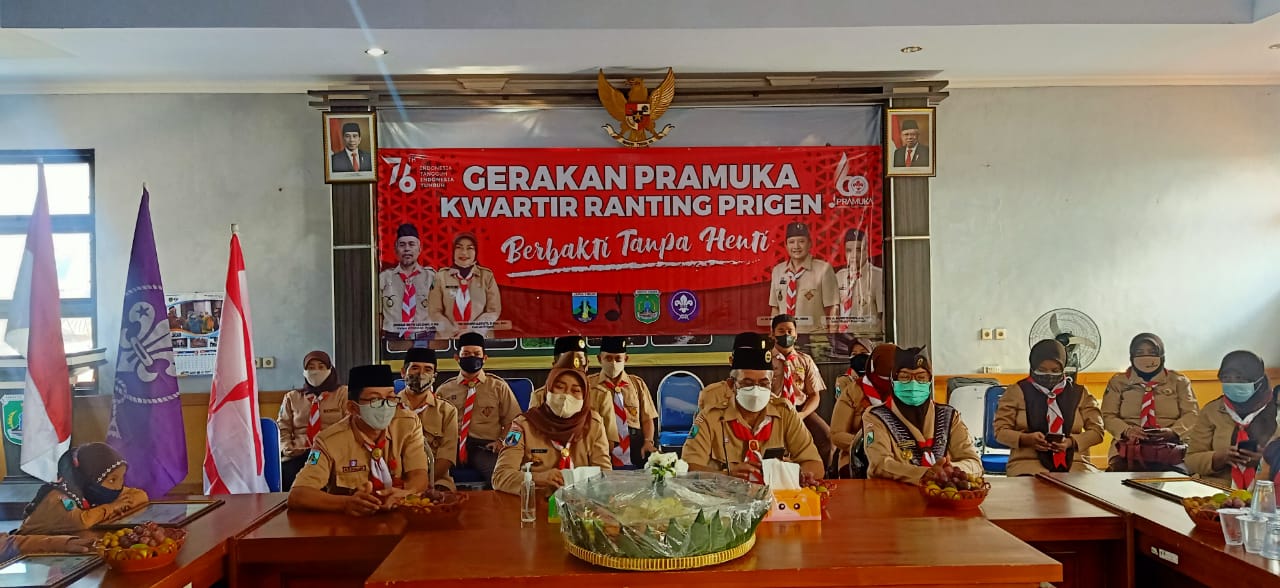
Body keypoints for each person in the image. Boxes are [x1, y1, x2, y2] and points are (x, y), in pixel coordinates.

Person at [288, 365, 430, 515]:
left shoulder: (407, 425)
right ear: (352, 408)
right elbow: (298, 495)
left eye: (390, 398)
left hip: (400, 515)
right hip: (350, 521)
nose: (384, 406)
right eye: (374, 399)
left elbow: (419, 475)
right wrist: (345, 503)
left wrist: (407, 493)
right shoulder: (327, 441)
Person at [683, 344, 824, 482]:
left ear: (771, 384)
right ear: (732, 385)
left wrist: (796, 474)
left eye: (763, 384)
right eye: (747, 383)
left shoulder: (785, 413)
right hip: (725, 494)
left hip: (775, 495)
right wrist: (727, 476)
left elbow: (815, 465)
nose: (756, 391)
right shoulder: (710, 417)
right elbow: (688, 469)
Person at [492, 355, 612, 495]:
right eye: (559, 387)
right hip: (535, 501)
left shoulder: (593, 424)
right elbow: (500, 477)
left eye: (575, 391)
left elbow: (605, 476)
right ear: (548, 389)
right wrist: (537, 478)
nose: (566, 396)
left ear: (585, 396)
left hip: (581, 503)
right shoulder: (522, 426)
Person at [863, 347, 982, 483]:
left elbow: (974, 462)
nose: (913, 384)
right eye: (905, 377)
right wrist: (924, 473)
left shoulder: (949, 416)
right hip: (893, 491)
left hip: (942, 492)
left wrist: (951, 469)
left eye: (921, 378)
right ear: (893, 381)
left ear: (929, 381)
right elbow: (880, 464)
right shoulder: (876, 416)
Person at [993, 340, 1104, 476]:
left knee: (1083, 487)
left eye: (1055, 371)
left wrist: (1071, 442)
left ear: (1063, 368)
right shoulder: (1016, 391)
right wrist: (1026, 439)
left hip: (1076, 463)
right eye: (1042, 370)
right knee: (1034, 487)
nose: (1049, 374)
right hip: (1027, 463)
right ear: (1032, 367)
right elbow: (1000, 431)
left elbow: (1097, 431)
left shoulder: (1079, 393)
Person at [1101, 333, 1199, 471]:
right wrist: (1127, 431)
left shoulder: (1179, 381)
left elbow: (1192, 414)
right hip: (1128, 449)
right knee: (1121, 477)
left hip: (1172, 448)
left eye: (1152, 353)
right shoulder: (1118, 382)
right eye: (1139, 353)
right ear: (1131, 356)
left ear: (1162, 355)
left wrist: (1173, 432)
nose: (1146, 357)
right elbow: (1107, 415)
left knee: (1180, 478)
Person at [436, 332, 521, 485]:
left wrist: (503, 443)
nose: (471, 357)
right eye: (466, 354)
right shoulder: (444, 390)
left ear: (484, 358)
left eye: (476, 354)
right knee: (432, 474)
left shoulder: (498, 387)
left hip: (484, 446)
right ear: (457, 358)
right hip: (452, 445)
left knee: (500, 477)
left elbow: (517, 423)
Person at [1186, 351, 1276, 488]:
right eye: (1226, 378)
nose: (1233, 383)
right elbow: (1191, 460)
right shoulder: (1212, 411)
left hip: (1267, 491)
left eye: (1240, 378)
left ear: (1259, 381)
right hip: (1217, 490)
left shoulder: (1276, 410)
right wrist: (1218, 458)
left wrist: (1265, 461)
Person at [18, 443, 149, 535]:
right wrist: (113, 508)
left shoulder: (92, 491)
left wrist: (116, 507)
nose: (118, 487)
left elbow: (140, 496)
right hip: (33, 550)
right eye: (112, 480)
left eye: (122, 478)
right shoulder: (61, 496)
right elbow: (82, 521)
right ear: (90, 477)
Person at [530, 336, 621, 448]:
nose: (573, 368)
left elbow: (609, 441)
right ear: (554, 366)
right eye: (565, 363)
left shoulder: (601, 396)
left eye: (579, 363)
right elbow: (532, 438)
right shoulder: (539, 396)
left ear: (587, 365)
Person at [277, 351, 348, 490]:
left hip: (332, 453)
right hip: (299, 453)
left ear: (330, 369)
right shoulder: (292, 397)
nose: (316, 371)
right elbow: (282, 427)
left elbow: (349, 424)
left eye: (321, 367)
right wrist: (286, 447)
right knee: (291, 479)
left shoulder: (343, 394)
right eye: (311, 367)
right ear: (304, 372)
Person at [770, 314, 833, 470]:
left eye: (790, 331)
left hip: (800, 410)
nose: (786, 335)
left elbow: (814, 396)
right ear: (772, 334)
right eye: (781, 331)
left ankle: (820, 475)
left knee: (826, 437)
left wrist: (802, 415)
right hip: (772, 410)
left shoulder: (805, 360)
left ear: (796, 334)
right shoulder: (765, 360)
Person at [589, 336, 658, 467]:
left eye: (618, 359)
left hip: (635, 446)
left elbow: (647, 418)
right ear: (599, 359)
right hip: (601, 446)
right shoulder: (589, 385)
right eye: (608, 358)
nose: (613, 363)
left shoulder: (637, 384)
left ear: (625, 359)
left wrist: (648, 441)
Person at [830, 343, 898, 476]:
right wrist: (869, 445)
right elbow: (837, 434)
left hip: (901, 457)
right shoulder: (853, 390)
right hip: (857, 458)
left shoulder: (906, 390)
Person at [399, 347, 459, 490]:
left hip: (435, 479)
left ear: (434, 376)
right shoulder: (389, 407)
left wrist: (423, 483)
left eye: (428, 369)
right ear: (403, 372)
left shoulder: (447, 411)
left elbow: (447, 457)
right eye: (415, 368)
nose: (421, 374)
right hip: (397, 478)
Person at [767, 222, 839, 335]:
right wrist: (774, 335)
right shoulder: (778, 271)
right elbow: (775, 309)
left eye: (801, 241)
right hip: (785, 336)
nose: (796, 246)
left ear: (810, 243)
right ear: (786, 245)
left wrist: (833, 337)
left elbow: (833, 308)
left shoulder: (823, 269)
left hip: (815, 336)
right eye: (791, 242)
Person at [428, 232, 503, 339]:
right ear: (453, 251)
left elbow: (493, 311)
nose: (464, 252)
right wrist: (453, 333)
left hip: (480, 338)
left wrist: (473, 331)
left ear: (476, 252)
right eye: (459, 247)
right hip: (447, 339)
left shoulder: (487, 276)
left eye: (470, 248)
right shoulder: (440, 277)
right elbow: (434, 312)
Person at [379, 223, 435, 344]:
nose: (407, 249)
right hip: (393, 339)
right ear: (395, 249)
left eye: (411, 244)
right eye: (402, 245)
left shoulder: (431, 277)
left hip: (425, 337)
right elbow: (377, 314)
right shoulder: (384, 278)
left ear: (419, 249)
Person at [697, 332, 768, 411]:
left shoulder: (769, 398)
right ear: (731, 361)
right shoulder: (711, 395)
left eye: (752, 359)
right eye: (742, 358)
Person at [833, 230, 884, 335]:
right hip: (842, 339)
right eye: (849, 251)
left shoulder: (878, 276)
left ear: (867, 250)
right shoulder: (839, 276)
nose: (853, 255)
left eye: (858, 250)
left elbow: (884, 316)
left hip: (868, 338)